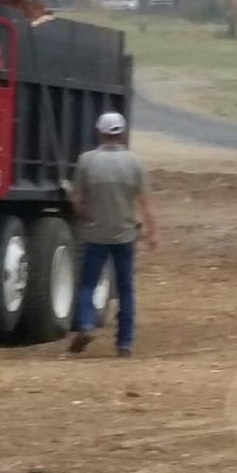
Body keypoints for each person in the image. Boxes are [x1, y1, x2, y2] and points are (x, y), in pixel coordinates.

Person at [68, 111, 158, 357]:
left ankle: (86, 324)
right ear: (122, 133)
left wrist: (84, 215)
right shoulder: (134, 162)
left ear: (100, 133)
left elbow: (77, 199)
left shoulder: (87, 161)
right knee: (126, 289)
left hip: (96, 234)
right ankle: (124, 343)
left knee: (88, 284)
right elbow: (145, 202)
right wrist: (152, 233)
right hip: (125, 235)